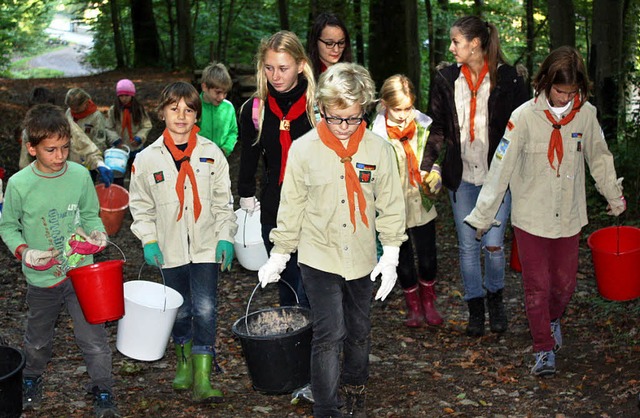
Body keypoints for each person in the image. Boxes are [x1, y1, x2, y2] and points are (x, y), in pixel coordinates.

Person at [465, 46, 625, 376]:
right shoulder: (523, 117)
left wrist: (614, 196)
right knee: (536, 286)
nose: (566, 98)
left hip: (568, 216)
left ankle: (552, 321)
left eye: (572, 92)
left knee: (564, 286)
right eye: (559, 91)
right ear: (545, 82)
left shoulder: (586, 115)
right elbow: (500, 168)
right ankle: (543, 349)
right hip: (531, 218)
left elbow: (599, 157)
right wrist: (483, 216)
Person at [259, 63, 407, 418]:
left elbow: (390, 205)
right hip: (318, 255)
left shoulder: (378, 151)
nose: (344, 128)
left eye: (353, 119)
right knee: (329, 332)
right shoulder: (303, 150)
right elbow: (291, 206)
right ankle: (326, 408)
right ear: (321, 110)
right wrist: (280, 255)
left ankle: (355, 385)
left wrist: (391, 255)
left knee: (358, 330)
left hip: (360, 256)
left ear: (365, 111)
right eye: (335, 118)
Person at [0, 104, 120, 417]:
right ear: (31, 148)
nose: (60, 156)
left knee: (93, 337)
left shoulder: (80, 176)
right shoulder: (19, 185)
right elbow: (8, 226)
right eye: (51, 150)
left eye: (65, 147)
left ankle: (103, 389)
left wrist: (97, 236)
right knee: (38, 340)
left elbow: (92, 215)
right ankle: (30, 378)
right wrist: (25, 251)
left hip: (82, 274)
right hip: (42, 279)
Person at [420, 15, 529, 337]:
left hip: (498, 177)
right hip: (462, 176)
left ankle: (495, 299)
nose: (452, 48)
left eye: (456, 41)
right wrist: (426, 164)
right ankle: (475, 308)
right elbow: (437, 127)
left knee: (493, 245)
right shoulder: (445, 78)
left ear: (475, 43)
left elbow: (522, 129)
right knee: (468, 247)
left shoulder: (509, 78)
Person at [129, 81, 237, 403]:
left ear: (196, 115)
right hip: (169, 248)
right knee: (179, 308)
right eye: (174, 109)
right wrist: (148, 239)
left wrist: (225, 238)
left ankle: (203, 375)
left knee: (205, 308)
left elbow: (222, 203)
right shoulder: (147, 159)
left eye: (189, 110)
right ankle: (184, 364)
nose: (181, 116)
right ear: (162, 112)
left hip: (206, 246)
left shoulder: (211, 154)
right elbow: (141, 205)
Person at [237, 30, 316, 308]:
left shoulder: (316, 108)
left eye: (283, 68)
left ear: (301, 65)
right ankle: (292, 344)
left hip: (313, 207)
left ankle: (317, 346)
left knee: (310, 283)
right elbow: (249, 156)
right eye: (269, 68)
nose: (276, 76)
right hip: (275, 206)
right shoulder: (255, 109)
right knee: (286, 281)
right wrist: (245, 193)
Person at [371, 74, 443, 327]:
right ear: (384, 104)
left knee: (427, 256)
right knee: (402, 258)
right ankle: (412, 305)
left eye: (408, 108)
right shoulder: (376, 135)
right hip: (393, 207)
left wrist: (435, 174)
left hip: (420, 201)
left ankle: (429, 301)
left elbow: (433, 157)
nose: (403, 115)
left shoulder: (423, 126)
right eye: (397, 109)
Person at [19, 87, 113, 187]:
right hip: (43, 181)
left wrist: (99, 164)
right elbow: (24, 163)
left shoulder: (65, 125)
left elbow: (85, 146)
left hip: (68, 177)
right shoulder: (28, 132)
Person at [104, 79, 152, 186]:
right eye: (121, 96)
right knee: (117, 175)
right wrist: (115, 140)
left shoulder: (138, 109)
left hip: (135, 148)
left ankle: (136, 196)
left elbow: (146, 125)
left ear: (132, 95)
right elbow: (108, 127)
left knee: (136, 175)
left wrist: (139, 138)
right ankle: (119, 195)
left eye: (126, 95)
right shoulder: (113, 110)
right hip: (119, 149)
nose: (124, 98)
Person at [197, 62, 238, 157]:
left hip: (221, 159)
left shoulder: (228, 107)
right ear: (204, 87)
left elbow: (233, 132)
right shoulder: (194, 106)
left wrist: (225, 149)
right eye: (218, 92)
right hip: (197, 159)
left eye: (225, 93)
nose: (222, 97)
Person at [307, 12, 353, 80]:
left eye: (341, 42)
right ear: (315, 41)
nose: (336, 49)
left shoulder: (353, 74)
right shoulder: (305, 77)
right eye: (329, 43)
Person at [65, 87, 109, 152]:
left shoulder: (96, 117)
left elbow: (100, 142)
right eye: (72, 108)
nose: (74, 111)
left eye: (77, 109)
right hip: (71, 153)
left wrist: (95, 157)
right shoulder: (68, 112)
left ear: (85, 103)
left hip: (89, 154)